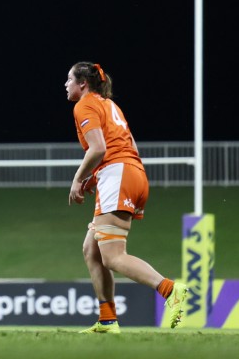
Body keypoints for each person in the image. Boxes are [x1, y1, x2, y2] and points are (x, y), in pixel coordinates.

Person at [65, 61, 188, 333]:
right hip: (132, 172)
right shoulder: (110, 105)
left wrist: (79, 178)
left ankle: (171, 290)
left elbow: (98, 148)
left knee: (113, 256)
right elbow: (129, 144)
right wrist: (98, 177)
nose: (66, 84)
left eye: (69, 79)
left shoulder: (84, 104)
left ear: (82, 83)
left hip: (118, 175)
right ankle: (108, 320)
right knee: (92, 249)